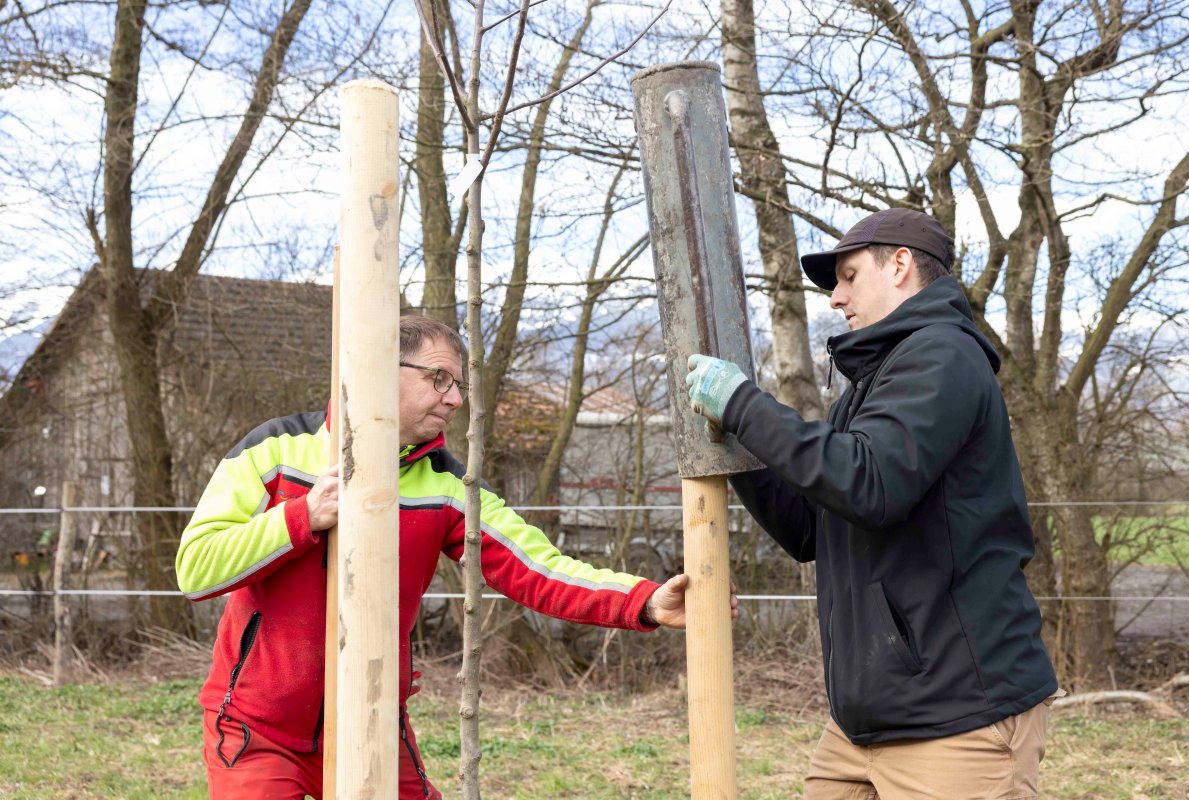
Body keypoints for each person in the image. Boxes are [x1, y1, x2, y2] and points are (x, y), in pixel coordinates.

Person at [178, 315, 729, 800]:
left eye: (459, 384)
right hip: (256, 729)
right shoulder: (275, 450)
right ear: (377, 369)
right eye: (437, 378)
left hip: (374, 724)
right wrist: (302, 517)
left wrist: (644, 601)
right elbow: (197, 568)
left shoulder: (447, 484)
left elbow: (537, 567)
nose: (455, 400)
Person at [685, 207, 1062, 799]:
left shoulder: (944, 356)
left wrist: (746, 406)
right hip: (866, 720)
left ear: (901, 265)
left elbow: (870, 483)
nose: (836, 298)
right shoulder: (873, 383)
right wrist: (738, 444)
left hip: (957, 716)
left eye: (849, 276)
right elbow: (806, 528)